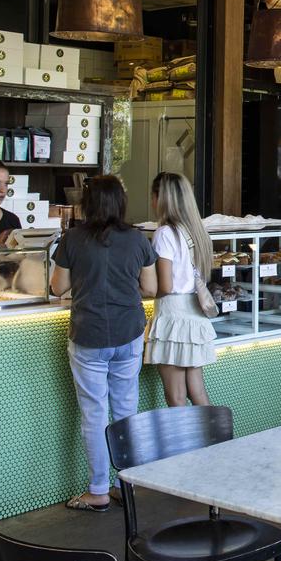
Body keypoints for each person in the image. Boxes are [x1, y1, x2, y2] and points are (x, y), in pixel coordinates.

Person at [50, 175, 157, 512]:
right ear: (120, 202)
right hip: (129, 332)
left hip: (89, 334)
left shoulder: (73, 239)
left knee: (94, 413)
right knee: (126, 410)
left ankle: (98, 489)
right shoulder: (137, 239)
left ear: (88, 203)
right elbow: (151, 288)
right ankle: (126, 485)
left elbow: (57, 288)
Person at [144, 172, 217, 407]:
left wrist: (142, 289)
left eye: (153, 196)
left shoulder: (165, 234)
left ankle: (185, 445)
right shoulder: (198, 231)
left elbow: (164, 286)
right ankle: (213, 441)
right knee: (197, 392)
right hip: (195, 314)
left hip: (172, 316)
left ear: (161, 198)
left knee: (175, 396)